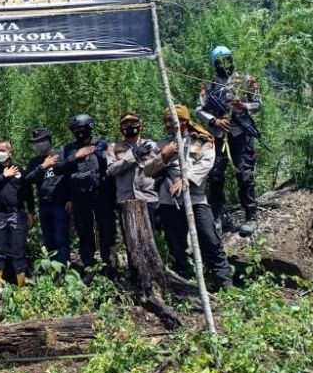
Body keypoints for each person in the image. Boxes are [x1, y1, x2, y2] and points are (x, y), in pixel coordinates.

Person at [145, 105, 234, 290]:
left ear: (184, 121)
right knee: (176, 245)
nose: (168, 124)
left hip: (196, 200)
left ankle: (225, 285)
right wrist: (164, 156)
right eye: (166, 120)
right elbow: (147, 169)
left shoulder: (202, 141)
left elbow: (206, 163)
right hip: (169, 202)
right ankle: (185, 282)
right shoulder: (161, 145)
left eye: (173, 120)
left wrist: (186, 180)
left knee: (210, 240)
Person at [195, 44, 262, 236]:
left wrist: (244, 106)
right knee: (216, 175)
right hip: (219, 136)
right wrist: (215, 120)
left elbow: (258, 104)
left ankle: (251, 216)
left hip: (241, 134)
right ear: (215, 64)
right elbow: (199, 110)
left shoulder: (247, 80)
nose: (226, 64)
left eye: (228, 60)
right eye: (221, 62)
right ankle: (218, 215)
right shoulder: (209, 86)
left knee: (244, 174)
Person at [59, 115, 116, 271]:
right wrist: (75, 157)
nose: (79, 133)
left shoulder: (102, 144)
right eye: (76, 130)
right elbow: (60, 170)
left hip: (101, 194)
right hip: (79, 197)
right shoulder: (69, 149)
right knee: (84, 232)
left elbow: (113, 165)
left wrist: (101, 151)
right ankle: (88, 266)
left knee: (107, 231)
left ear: (90, 128)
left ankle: (109, 267)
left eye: (82, 129)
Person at [0, 140, 34, 290]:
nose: (0, 153)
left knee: (19, 251)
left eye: (3, 150)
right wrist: (3, 176)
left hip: (17, 214)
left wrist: (31, 211)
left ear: (10, 152)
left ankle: (21, 285)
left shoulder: (19, 169)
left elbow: (28, 192)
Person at [22, 128, 70, 265]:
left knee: (61, 239)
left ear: (49, 140)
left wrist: (70, 198)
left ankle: (62, 272)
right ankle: (53, 272)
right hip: (44, 206)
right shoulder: (35, 162)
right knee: (49, 240)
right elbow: (27, 179)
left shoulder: (61, 154)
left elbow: (70, 177)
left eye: (41, 141)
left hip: (60, 204)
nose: (39, 144)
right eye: (36, 142)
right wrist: (43, 166)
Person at [107, 112, 160, 220]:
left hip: (149, 197)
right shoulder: (114, 147)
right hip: (126, 199)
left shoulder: (152, 145)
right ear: (120, 128)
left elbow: (160, 167)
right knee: (129, 236)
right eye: (125, 124)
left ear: (140, 124)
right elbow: (112, 170)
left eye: (133, 122)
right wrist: (133, 156)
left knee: (151, 235)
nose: (130, 126)